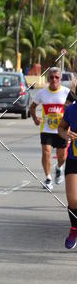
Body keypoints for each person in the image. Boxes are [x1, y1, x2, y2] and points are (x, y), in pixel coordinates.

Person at [29, 67, 70, 190]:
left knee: (62, 156)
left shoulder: (67, 92)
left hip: (62, 130)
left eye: (56, 77)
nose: (54, 79)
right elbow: (32, 107)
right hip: (46, 129)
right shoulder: (42, 93)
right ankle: (48, 178)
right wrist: (35, 119)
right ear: (48, 79)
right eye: (51, 77)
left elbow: (74, 109)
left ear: (60, 78)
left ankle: (58, 168)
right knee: (46, 152)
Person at [58, 100, 77, 249]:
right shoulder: (71, 110)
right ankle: (74, 229)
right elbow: (61, 128)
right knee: (73, 200)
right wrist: (66, 134)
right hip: (74, 160)